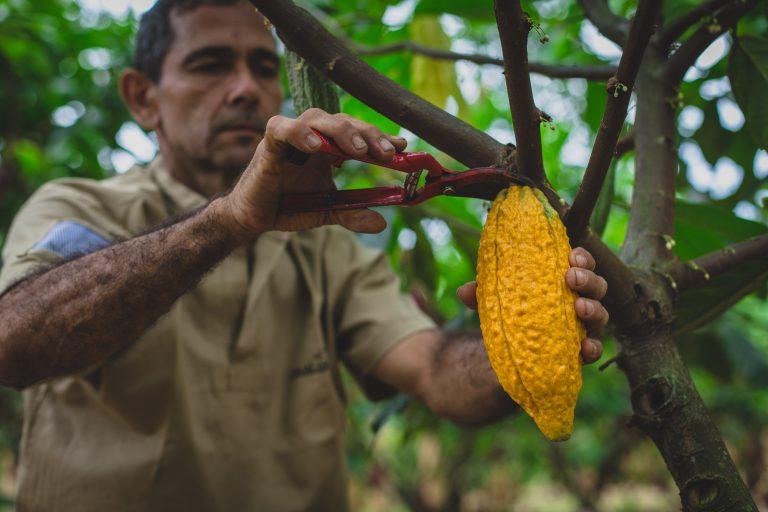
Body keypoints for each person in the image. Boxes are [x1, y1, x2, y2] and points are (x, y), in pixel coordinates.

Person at [0, 0, 610, 510]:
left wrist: (524, 336)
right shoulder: (81, 208)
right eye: (210, 65)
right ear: (143, 97)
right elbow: (11, 343)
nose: (245, 89)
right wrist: (227, 221)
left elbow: (435, 373)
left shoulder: (329, 239)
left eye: (264, 67)